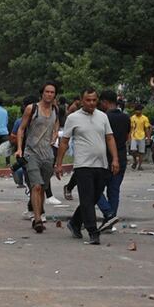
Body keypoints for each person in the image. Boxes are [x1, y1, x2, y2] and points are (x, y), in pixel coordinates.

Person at [55, 88, 118, 245]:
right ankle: (92, 231)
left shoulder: (103, 116)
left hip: (101, 164)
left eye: (94, 100)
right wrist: (59, 164)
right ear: (82, 101)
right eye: (88, 100)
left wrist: (115, 159)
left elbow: (110, 138)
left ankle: (75, 223)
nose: (91, 103)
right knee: (87, 198)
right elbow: (64, 142)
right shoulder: (73, 118)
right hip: (83, 165)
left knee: (94, 197)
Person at [16, 83, 59, 233]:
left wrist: (55, 135)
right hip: (31, 153)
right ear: (42, 93)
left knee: (43, 187)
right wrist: (19, 148)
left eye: (52, 92)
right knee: (36, 186)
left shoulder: (55, 110)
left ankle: (38, 211)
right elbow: (21, 129)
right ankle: (37, 219)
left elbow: (56, 125)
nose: (49, 94)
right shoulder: (32, 108)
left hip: (48, 154)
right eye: (47, 91)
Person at [96, 90, 130, 231]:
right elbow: (127, 136)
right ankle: (110, 221)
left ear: (105, 102)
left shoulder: (102, 117)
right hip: (121, 157)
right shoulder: (126, 117)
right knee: (114, 190)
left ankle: (108, 213)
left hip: (105, 157)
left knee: (94, 189)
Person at [128, 104, 151, 170]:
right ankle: (135, 161)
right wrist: (129, 138)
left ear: (141, 111)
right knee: (133, 150)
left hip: (142, 136)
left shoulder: (145, 118)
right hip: (134, 136)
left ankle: (140, 166)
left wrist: (148, 138)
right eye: (136, 110)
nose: (137, 112)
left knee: (141, 152)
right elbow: (130, 128)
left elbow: (146, 129)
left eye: (139, 110)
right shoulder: (132, 118)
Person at [0, 98, 11, 164]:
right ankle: (8, 163)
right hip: (4, 132)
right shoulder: (5, 111)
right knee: (7, 148)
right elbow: (6, 121)